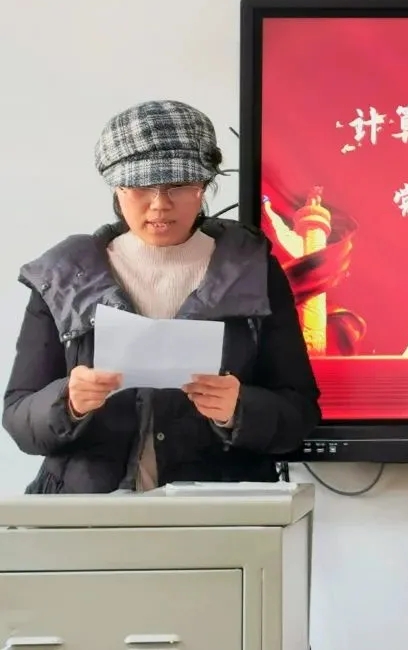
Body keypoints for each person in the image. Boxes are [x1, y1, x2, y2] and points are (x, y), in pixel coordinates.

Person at [2, 99, 321, 493]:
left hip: (218, 513)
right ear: (117, 188)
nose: (159, 204)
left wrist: (239, 410)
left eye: (179, 186)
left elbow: (299, 412)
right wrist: (67, 402)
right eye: (140, 186)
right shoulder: (64, 274)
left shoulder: (253, 271)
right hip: (86, 514)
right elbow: (18, 416)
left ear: (203, 185)